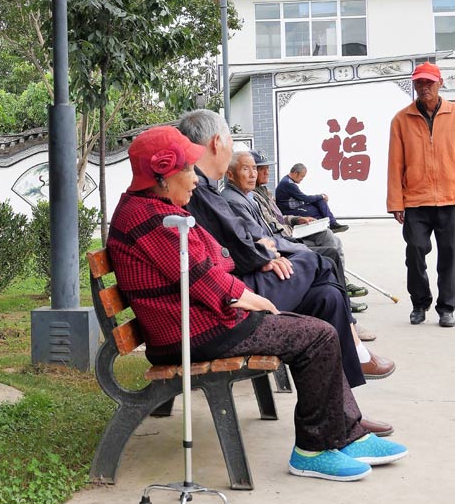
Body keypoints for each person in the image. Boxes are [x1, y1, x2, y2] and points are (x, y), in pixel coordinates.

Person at [107, 125, 407, 482]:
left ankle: (344, 432)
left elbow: (221, 261)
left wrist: (231, 280)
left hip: (201, 322)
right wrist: (255, 300)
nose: (193, 177)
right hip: (194, 333)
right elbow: (207, 277)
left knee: (317, 319)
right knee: (317, 336)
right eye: (187, 169)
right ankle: (312, 450)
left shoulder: (154, 208)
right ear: (163, 175)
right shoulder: (155, 219)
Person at [178, 109, 394, 387]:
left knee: (326, 295)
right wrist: (264, 253)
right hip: (231, 296)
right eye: (232, 146)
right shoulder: (197, 188)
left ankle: (343, 411)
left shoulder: (207, 187)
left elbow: (242, 240)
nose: (254, 172)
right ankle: (356, 359)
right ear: (217, 142)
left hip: (233, 283)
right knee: (319, 262)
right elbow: (239, 246)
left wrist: (262, 250)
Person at [250, 149, 372, 320]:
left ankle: (342, 280)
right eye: (260, 168)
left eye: (266, 168)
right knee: (330, 252)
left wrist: (296, 219)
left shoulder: (264, 192)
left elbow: (279, 217)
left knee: (328, 236)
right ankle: (342, 293)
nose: (266, 172)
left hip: (290, 230)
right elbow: (269, 229)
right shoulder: (255, 196)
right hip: (284, 239)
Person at [387, 60, 455, 327]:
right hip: (415, 200)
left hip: (450, 198)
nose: (423, 87)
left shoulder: (453, 115)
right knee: (415, 251)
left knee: (450, 255)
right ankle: (419, 302)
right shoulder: (401, 120)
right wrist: (395, 201)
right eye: (419, 82)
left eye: (428, 82)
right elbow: (395, 164)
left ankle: (447, 307)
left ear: (440, 83)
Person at [275, 163, 348, 232]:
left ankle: (332, 223)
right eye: (302, 176)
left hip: (297, 206)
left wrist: (320, 197)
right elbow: (305, 198)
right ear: (295, 173)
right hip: (290, 210)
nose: (302, 179)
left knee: (320, 201)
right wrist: (321, 196)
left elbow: (303, 198)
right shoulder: (288, 183)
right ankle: (329, 226)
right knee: (317, 211)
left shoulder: (287, 181)